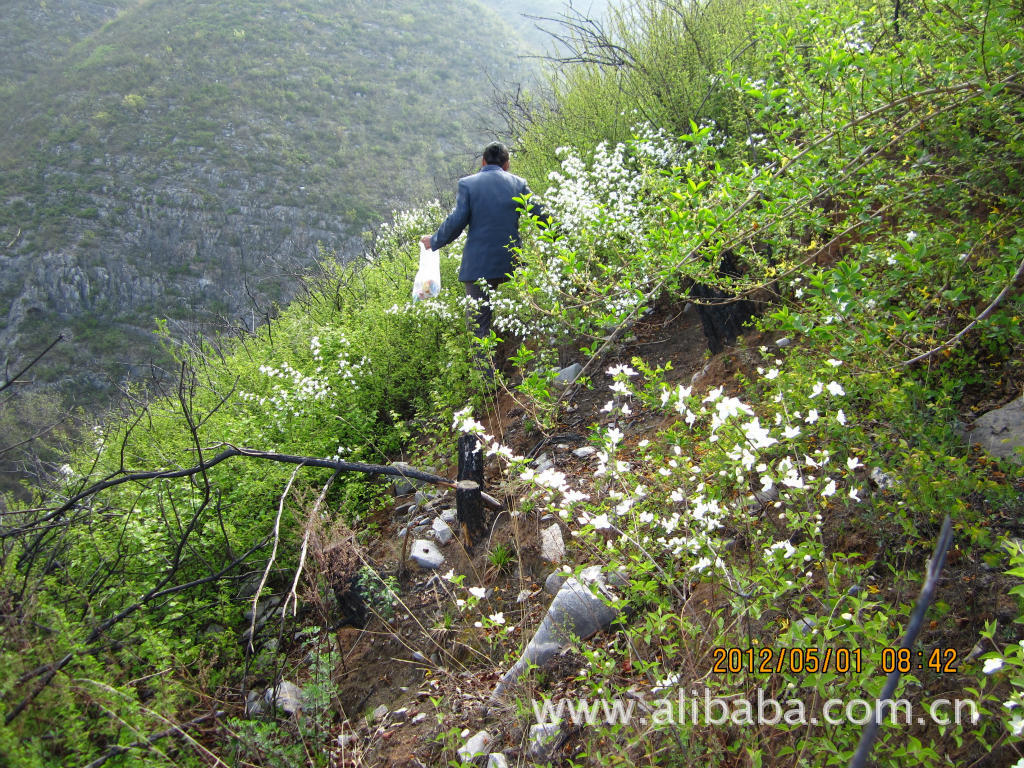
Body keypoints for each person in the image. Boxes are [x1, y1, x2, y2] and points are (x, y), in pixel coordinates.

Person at [421, 142, 546, 342]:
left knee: (479, 330)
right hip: (512, 263)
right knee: (525, 319)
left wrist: (434, 240)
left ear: (483, 161)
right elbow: (542, 216)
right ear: (507, 164)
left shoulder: (468, 184)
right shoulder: (518, 184)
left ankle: (485, 373)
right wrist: (563, 238)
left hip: (478, 267)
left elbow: (457, 221)